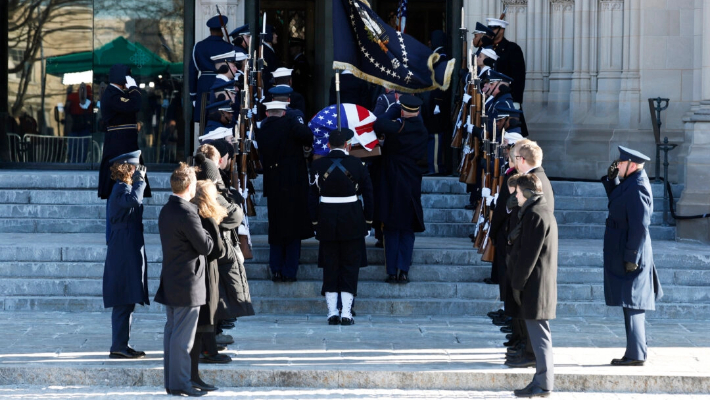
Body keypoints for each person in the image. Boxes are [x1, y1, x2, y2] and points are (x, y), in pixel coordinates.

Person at [155, 163, 213, 397]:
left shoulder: (167, 208)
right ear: (190, 186)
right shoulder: (187, 212)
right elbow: (206, 245)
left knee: (172, 333)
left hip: (171, 279)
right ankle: (180, 384)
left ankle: (173, 382)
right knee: (182, 338)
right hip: (187, 282)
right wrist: (207, 227)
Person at [602, 146, 663, 366]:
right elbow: (619, 202)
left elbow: (640, 226)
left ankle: (636, 354)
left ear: (633, 165)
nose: (617, 165)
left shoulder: (638, 187)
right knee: (629, 302)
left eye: (621, 162)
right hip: (625, 249)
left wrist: (632, 256)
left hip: (632, 252)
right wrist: (611, 181)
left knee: (634, 303)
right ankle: (635, 351)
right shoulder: (631, 182)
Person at [308, 128, 374, 326]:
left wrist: (314, 221)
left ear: (328, 145)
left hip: (327, 217)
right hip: (352, 218)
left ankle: (331, 312)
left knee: (330, 265)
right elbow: (369, 195)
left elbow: (312, 197)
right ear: (347, 145)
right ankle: (346, 313)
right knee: (349, 266)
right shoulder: (358, 164)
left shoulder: (317, 165)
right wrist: (368, 220)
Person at [507, 173, 558, 398]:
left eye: (517, 192)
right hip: (536, 285)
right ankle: (540, 381)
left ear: (527, 193)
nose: (515, 197)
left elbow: (529, 255)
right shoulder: (537, 212)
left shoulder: (536, 215)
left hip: (535, 287)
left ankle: (544, 384)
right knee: (539, 337)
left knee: (540, 338)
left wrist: (517, 284)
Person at [256, 101, 314, 282]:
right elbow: (307, 135)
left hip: (274, 183)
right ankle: (289, 270)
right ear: (283, 113)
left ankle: (276, 268)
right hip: (293, 183)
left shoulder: (263, 130)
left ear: (267, 114)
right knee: (293, 228)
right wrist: (292, 119)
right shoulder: (290, 124)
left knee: (276, 227)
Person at [373, 95, 428, 284]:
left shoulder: (397, 127)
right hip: (412, 182)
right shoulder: (421, 129)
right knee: (407, 230)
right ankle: (403, 270)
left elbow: (379, 123)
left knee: (391, 229)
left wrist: (394, 109)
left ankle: (391, 271)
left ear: (403, 110)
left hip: (392, 181)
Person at [102, 150, 148, 360]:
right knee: (123, 296)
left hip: (126, 245)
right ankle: (118, 346)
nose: (138, 171)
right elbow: (134, 201)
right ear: (128, 168)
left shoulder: (123, 188)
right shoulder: (121, 189)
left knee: (128, 298)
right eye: (135, 167)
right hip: (122, 247)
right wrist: (140, 182)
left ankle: (122, 344)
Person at [189, 15, 236, 123]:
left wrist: (193, 95)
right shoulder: (228, 47)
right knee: (223, 119)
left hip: (204, 85)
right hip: (222, 85)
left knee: (204, 119)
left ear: (210, 30)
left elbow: (192, 71)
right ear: (222, 30)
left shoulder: (199, 46)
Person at [486, 17, 527, 136]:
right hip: (489, 98)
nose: (491, 31)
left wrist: (516, 101)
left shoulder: (512, 49)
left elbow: (519, 77)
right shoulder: (486, 49)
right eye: (489, 29)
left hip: (505, 98)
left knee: (509, 134)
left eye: (493, 29)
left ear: (502, 30)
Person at [423, 30, 451, 176]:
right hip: (436, 104)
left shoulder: (440, 58)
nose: (428, 43)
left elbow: (439, 83)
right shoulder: (440, 56)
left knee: (435, 136)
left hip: (436, 105)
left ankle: (435, 167)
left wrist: (437, 104)